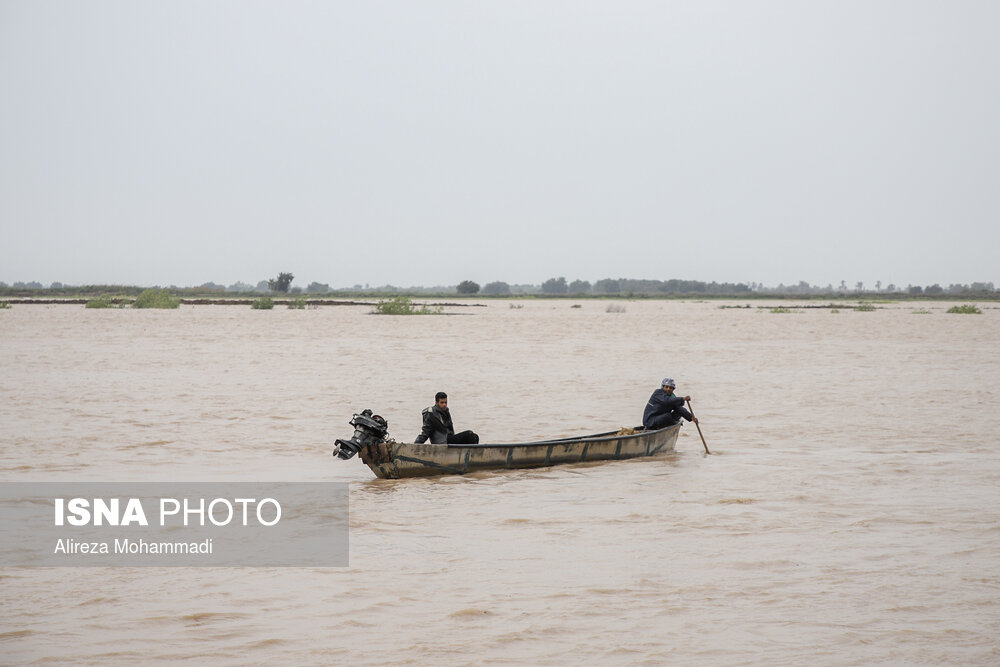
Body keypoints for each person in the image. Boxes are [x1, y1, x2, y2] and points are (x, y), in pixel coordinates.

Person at [415, 392, 480, 444]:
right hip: (442, 441)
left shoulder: (446, 411)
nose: (444, 405)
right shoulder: (431, 414)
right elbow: (425, 432)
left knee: (475, 436)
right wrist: (416, 445)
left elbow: (450, 429)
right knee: (469, 434)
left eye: (445, 402)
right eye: (442, 403)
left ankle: (470, 455)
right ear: (436, 403)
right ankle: (471, 456)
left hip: (449, 438)